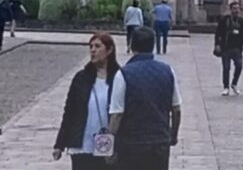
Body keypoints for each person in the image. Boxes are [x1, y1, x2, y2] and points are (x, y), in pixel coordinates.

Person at [108, 26, 180, 170]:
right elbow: (176, 109)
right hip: (159, 141)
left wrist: (109, 144)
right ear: (153, 45)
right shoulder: (168, 71)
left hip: (131, 143)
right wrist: (173, 135)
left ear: (132, 45)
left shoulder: (123, 74)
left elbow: (117, 115)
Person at [52, 32, 120, 168]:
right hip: (82, 143)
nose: (93, 50)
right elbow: (69, 112)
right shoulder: (81, 78)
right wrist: (60, 144)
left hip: (107, 144)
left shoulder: (119, 78)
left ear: (109, 50)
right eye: (91, 47)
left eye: (97, 46)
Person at [213, 1, 243, 97]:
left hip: (237, 48)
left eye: (238, 8)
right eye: (234, 8)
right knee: (226, 68)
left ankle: (234, 83)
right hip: (226, 47)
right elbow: (218, 32)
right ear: (230, 10)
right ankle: (226, 87)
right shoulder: (224, 20)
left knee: (239, 66)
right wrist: (217, 44)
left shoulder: (242, 22)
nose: (236, 10)